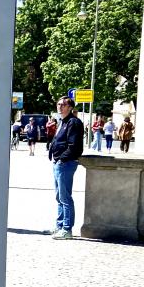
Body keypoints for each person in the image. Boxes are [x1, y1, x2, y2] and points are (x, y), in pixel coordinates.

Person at [48, 97, 84, 240]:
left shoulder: (73, 122)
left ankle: (67, 229)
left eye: (63, 105)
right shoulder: (62, 121)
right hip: (58, 163)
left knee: (65, 197)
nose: (60, 106)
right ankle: (59, 226)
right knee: (59, 197)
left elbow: (73, 145)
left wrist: (62, 159)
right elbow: (57, 140)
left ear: (70, 107)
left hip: (66, 164)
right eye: (58, 104)